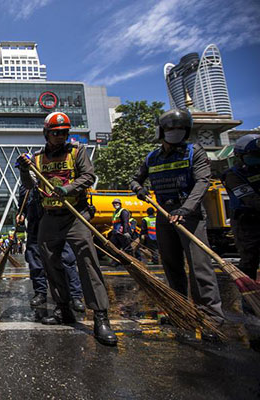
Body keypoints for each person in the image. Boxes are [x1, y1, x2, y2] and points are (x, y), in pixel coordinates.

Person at [17, 111, 117, 346]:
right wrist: (23, 169)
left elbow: (89, 176)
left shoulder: (77, 152)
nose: (60, 137)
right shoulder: (38, 159)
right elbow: (30, 185)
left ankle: (101, 318)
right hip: (50, 218)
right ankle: (63, 309)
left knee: (87, 262)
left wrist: (68, 188)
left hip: (75, 216)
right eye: (55, 133)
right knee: (50, 262)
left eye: (64, 133)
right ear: (46, 133)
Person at [130, 108, 225, 332]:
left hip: (188, 216)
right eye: (171, 128)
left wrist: (185, 209)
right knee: (171, 265)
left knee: (199, 267)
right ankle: (180, 309)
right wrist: (138, 188)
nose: (175, 132)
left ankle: (211, 317)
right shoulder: (152, 157)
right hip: (164, 214)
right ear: (162, 131)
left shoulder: (195, 152)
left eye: (180, 128)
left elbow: (202, 183)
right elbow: (135, 179)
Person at [17, 184, 85, 315]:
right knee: (35, 261)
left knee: (67, 259)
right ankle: (40, 292)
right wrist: (22, 214)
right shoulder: (24, 188)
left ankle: (75, 296)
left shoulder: (48, 180)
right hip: (34, 228)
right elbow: (23, 206)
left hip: (54, 225)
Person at [221, 134, 260, 282]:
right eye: (254, 154)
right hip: (246, 224)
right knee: (249, 262)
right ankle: (249, 301)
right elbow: (251, 200)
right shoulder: (233, 175)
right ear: (241, 156)